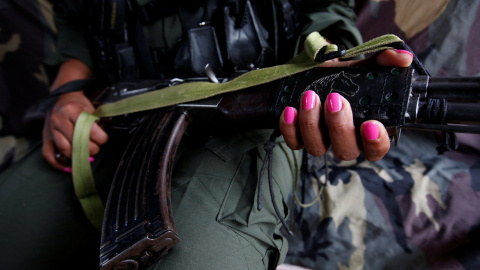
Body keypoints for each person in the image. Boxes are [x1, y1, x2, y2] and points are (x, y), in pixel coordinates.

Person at [0, 0, 413, 269]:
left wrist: (340, 71)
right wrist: (67, 97)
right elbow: (77, 31)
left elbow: (324, 19)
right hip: (114, 117)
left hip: (245, 122)